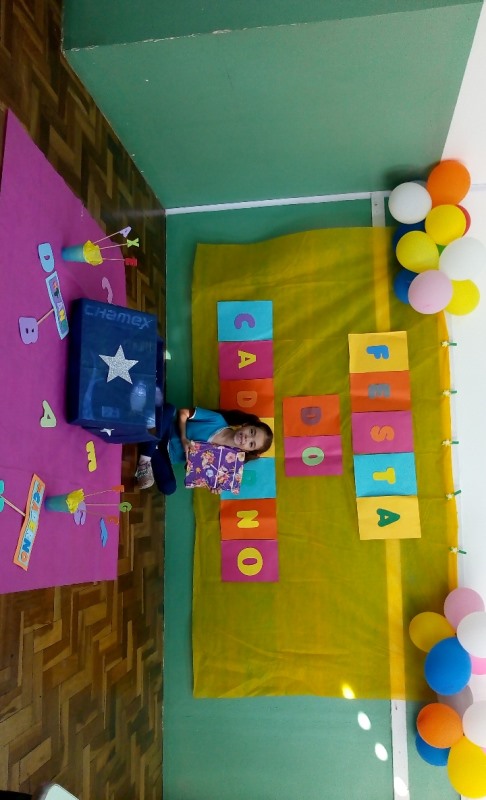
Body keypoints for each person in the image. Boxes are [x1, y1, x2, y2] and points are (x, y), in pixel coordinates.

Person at [135, 405, 273, 493]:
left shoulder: (227, 462)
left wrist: (210, 482)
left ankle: (148, 447)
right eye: (252, 432)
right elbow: (183, 412)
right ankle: (145, 460)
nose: (247, 438)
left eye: (251, 444)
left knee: (169, 488)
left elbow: (191, 469)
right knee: (169, 409)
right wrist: (183, 438)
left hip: (164, 455)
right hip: (166, 431)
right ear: (247, 425)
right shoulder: (217, 420)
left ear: (247, 450)